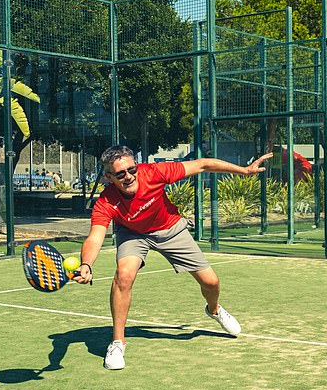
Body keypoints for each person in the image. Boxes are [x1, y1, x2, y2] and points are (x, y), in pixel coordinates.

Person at [73, 145, 272, 370]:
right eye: (120, 174)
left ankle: (214, 310)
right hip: (132, 234)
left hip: (169, 228)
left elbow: (202, 164)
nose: (129, 176)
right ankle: (118, 343)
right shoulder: (106, 201)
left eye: (132, 169)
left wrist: (244, 171)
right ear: (108, 177)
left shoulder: (155, 173)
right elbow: (95, 237)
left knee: (211, 282)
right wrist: (86, 264)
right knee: (123, 276)